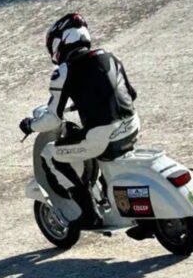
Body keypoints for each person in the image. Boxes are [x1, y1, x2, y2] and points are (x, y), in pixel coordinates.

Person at [19, 13, 140, 228]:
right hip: (131, 126)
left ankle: (88, 212)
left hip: (102, 136)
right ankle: (110, 196)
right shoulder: (111, 57)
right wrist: (84, 103)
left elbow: (52, 120)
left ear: (61, 42)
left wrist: (30, 124)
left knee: (49, 155)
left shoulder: (65, 71)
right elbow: (131, 94)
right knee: (91, 146)